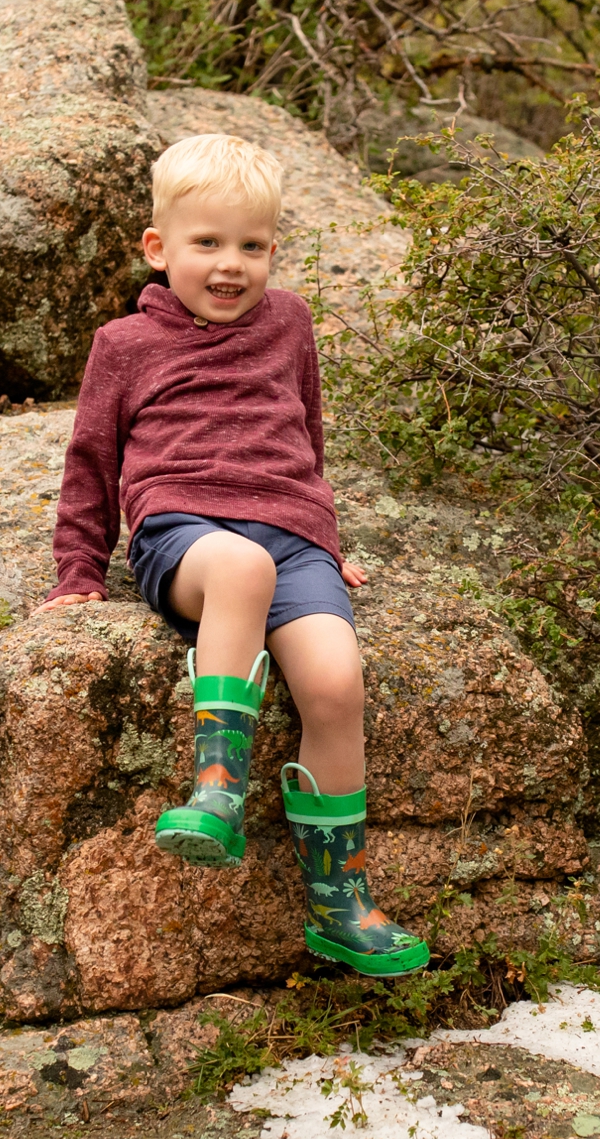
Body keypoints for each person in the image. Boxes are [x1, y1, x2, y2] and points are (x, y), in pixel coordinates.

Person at [38, 132, 428, 978]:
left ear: (273, 251)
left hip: (293, 533)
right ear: (158, 248)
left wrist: (325, 536)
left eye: (252, 247)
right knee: (242, 571)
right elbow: (91, 464)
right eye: (207, 243)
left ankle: (338, 899)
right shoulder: (124, 346)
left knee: (334, 681)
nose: (230, 266)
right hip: (185, 535)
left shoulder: (288, 322)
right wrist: (78, 570)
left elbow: (306, 434)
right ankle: (216, 788)